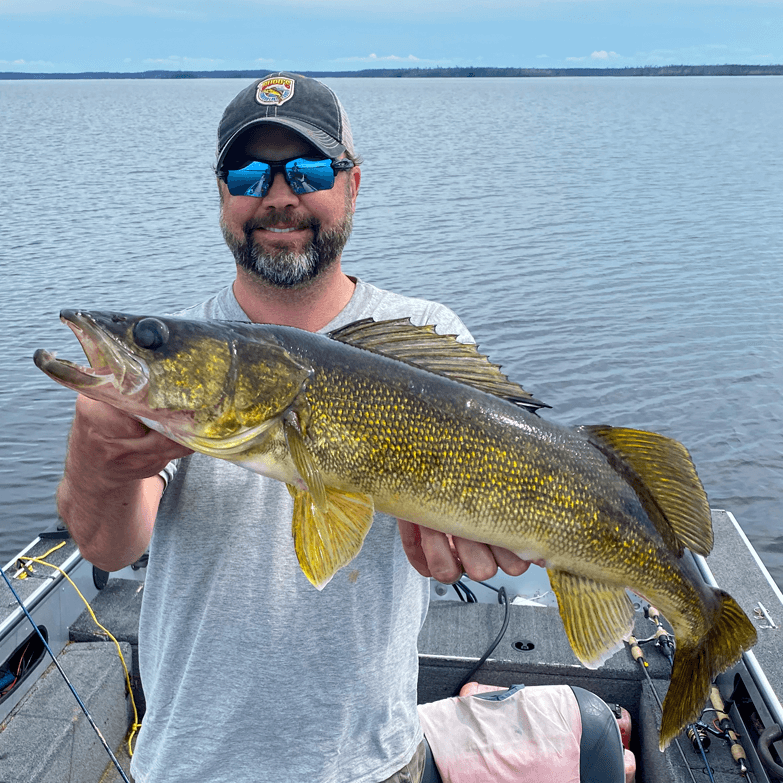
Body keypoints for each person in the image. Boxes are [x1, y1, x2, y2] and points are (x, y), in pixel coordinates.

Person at [56, 72, 534, 783]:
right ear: (222, 194)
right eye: (248, 173)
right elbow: (110, 543)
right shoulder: (182, 358)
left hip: (373, 761)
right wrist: (98, 463)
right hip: (193, 761)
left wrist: (488, 542)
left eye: (308, 169)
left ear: (352, 183)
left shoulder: (429, 335)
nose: (278, 195)